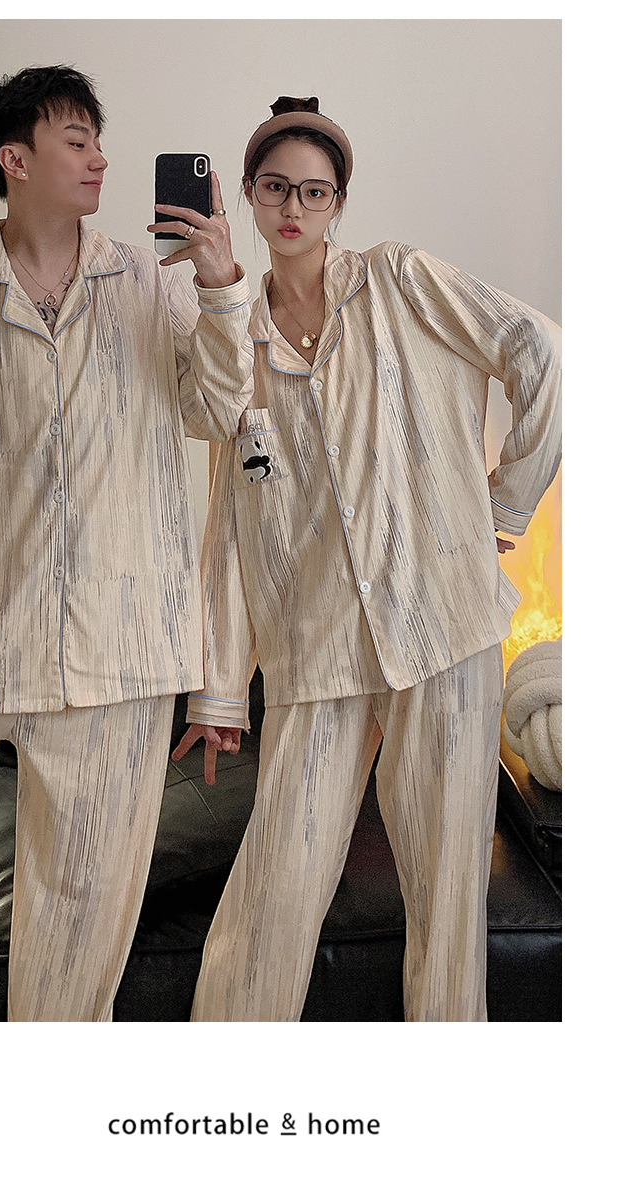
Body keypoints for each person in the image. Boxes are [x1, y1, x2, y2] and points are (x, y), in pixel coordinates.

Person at [0, 65, 253, 1022]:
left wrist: (220, 284)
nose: (100, 158)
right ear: (15, 159)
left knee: (75, 934)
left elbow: (221, 414)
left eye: (99, 141)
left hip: (118, 645)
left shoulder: (151, 282)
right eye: (77, 141)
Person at [173, 96, 561, 1022]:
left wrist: (505, 504)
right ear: (249, 196)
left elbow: (538, 349)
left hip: (442, 625)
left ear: (339, 201)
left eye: (314, 190)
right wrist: (220, 691)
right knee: (276, 886)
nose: (294, 207)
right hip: (317, 647)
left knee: (447, 898)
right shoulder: (233, 342)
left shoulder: (401, 281)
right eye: (276, 188)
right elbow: (229, 516)